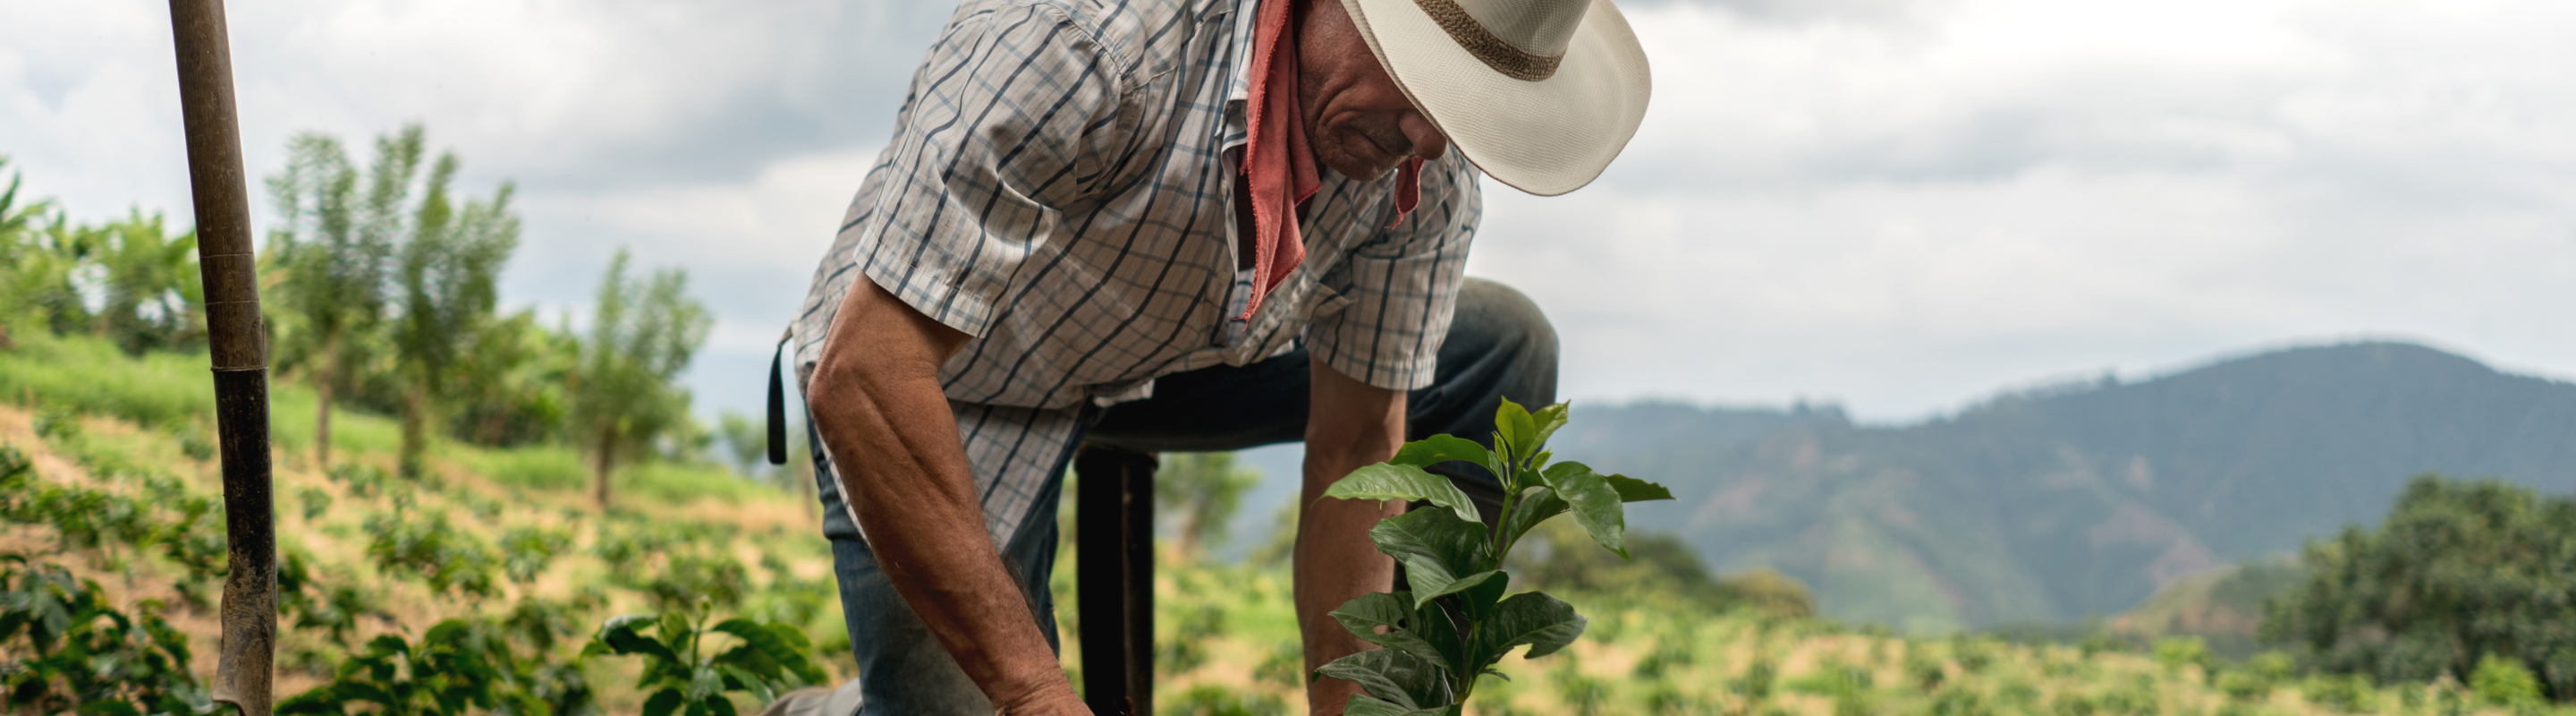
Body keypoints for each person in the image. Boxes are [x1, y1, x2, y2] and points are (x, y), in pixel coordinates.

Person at [784, 0, 1648, 712]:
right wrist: (1038, 696)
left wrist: (1359, 697)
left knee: (1502, 342)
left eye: (1467, 107)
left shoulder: (1423, 168)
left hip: (1182, 354)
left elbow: (1357, 449)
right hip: (946, 377)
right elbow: (868, 374)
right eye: (1424, 83)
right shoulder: (1083, 40)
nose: (1428, 138)